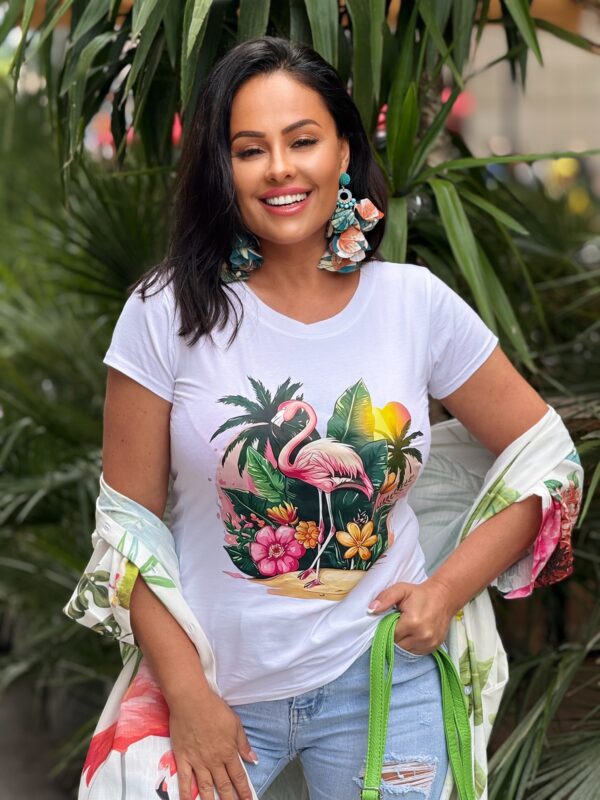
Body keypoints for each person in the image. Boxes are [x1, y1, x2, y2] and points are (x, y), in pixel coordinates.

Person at [96, 36, 574, 800]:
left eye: (303, 141)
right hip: (213, 685)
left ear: (343, 151)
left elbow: (547, 459)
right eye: (250, 149)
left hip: (383, 677)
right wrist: (186, 696)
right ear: (223, 169)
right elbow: (129, 530)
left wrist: (445, 590)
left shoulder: (413, 305)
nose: (279, 168)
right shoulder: (165, 314)